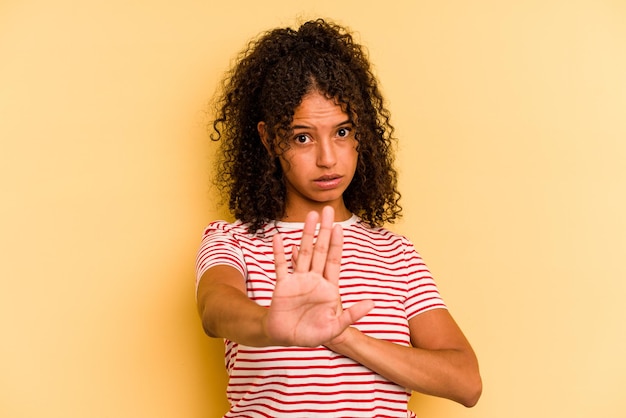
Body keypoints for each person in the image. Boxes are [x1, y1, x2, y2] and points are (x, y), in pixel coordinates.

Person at [196, 18, 482, 417]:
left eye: (342, 132)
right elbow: (215, 308)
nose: (328, 158)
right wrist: (270, 325)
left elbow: (466, 382)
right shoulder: (233, 240)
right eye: (302, 136)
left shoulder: (395, 253)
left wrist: (342, 336)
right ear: (268, 139)